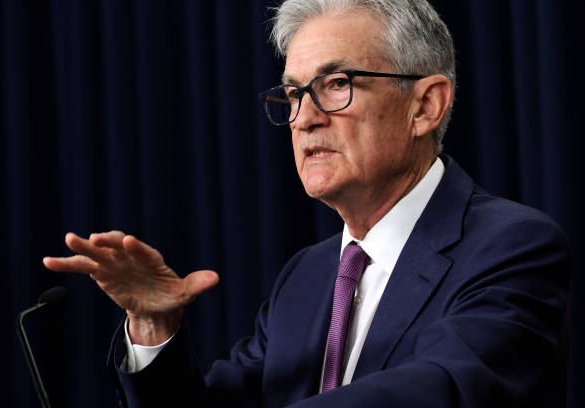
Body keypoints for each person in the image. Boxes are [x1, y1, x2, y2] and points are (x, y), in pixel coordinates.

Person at [44, 0, 571, 406]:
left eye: (336, 84)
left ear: (425, 106)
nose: (304, 118)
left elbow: (444, 389)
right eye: (295, 93)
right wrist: (153, 327)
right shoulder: (306, 276)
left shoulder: (511, 246)